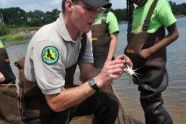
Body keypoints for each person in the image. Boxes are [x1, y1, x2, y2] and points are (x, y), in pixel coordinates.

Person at [23, 0, 131, 124]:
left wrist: (112, 69)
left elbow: (87, 73)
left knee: (109, 103)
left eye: (98, 9)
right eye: (89, 8)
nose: (95, 14)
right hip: (43, 110)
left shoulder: (84, 35)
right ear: (69, 5)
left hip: (65, 95)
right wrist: (100, 79)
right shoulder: (48, 43)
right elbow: (55, 102)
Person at [124, 0, 179, 124]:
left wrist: (149, 51)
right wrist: (128, 57)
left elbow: (174, 34)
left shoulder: (160, 4)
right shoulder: (136, 10)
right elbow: (136, 41)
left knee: (152, 102)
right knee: (146, 101)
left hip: (154, 65)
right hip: (140, 66)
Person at [91, 2, 119, 69]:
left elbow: (114, 39)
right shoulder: (87, 16)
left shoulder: (109, 15)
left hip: (105, 59)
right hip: (90, 60)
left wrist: (108, 61)